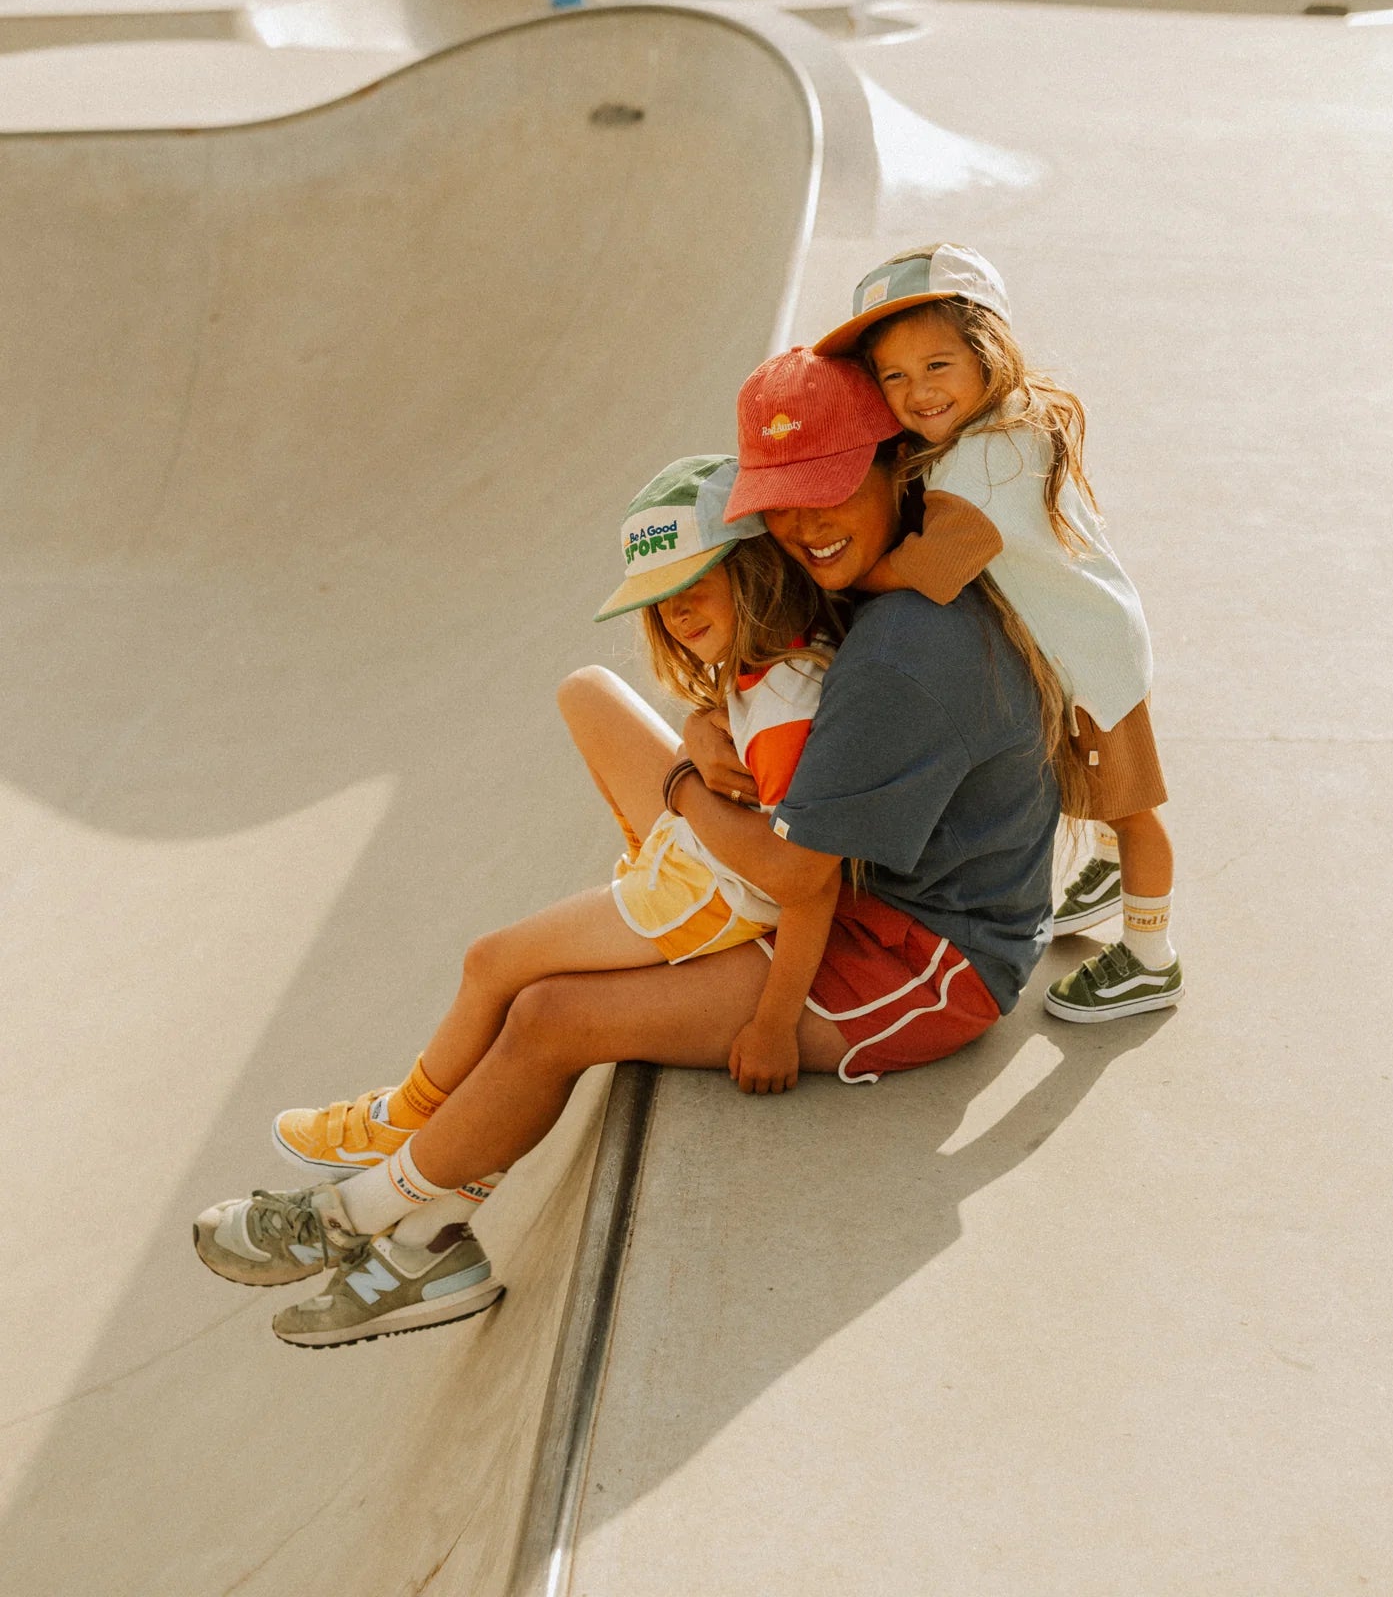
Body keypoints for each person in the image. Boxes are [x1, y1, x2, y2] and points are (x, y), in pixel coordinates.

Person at [192, 350, 1062, 1349]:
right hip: (822, 869)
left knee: (550, 1015)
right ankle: (427, 1204)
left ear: (893, 466)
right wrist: (700, 725)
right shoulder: (854, 572)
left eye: (829, 488)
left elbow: (797, 876)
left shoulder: (900, 653)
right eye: (780, 504)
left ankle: (374, 1218)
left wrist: (687, 787)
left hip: (916, 957)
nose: (806, 523)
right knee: (591, 699)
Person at [813, 242, 1183, 1024]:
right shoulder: (1000, 423)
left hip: (1091, 660)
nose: (918, 392)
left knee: (1132, 811)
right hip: (1089, 635)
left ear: (988, 351)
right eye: (893, 377)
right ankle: (1113, 879)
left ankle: (1151, 958)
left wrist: (853, 575)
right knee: (1103, 793)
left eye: (937, 366)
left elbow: (928, 571)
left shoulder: (983, 467)